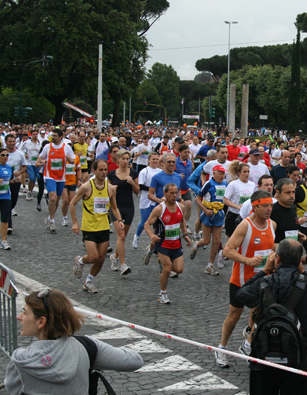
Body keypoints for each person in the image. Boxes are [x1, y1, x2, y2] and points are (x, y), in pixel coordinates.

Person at [3, 289, 143, 394]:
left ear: (41, 322)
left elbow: (12, 390)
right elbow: (135, 361)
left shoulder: (20, 360)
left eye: (25, 312)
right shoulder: (86, 347)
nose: (19, 317)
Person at [236, 239, 307, 395]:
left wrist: (264, 270)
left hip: (264, 354)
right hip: (297, 357)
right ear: (299, 261)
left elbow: (241, 295)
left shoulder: (265, 282)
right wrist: (303, 272)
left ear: (277, 259)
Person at [217, 190, 276, 368]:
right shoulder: (245, 225)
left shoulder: (272, 224)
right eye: (265, 206)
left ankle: (247, 344)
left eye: (270, 205)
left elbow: (270, 245)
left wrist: (291, 244)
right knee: (233, 316)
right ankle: (222, 348)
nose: (269, 209)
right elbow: (228, 250)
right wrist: (247, 260)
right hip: (241, 280)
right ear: (255, 207)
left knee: (259, 313)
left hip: (263, 279)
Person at [71, 159, 124, 293]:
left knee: (100, 259)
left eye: (105, 169)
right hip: (89, 227)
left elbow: (114, 207)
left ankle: (89, 281)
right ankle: (81, 261)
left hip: (104, 227)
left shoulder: (110, 188)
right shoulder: (86, 187)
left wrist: (120, 220)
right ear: (94, 171)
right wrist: (75, 222)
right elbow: (72, 204)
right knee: (93, 256)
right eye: (100, 170)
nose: (104, 172)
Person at [144, 182, 192, 304]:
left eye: (176, 192)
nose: (174, 195)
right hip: (163, 243)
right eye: (171, 193)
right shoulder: (159, 209)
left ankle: (155, 255)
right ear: (165, 193)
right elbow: (147, 224)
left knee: (179, 270)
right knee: (167, 268)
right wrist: (152, 236)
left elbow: (182, 221)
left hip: (176, 243)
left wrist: (185, 234)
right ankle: (163, 293)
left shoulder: (181, 207)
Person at [190, 165, 228, 274]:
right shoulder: (208, 183)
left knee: (216, 242)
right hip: (208, 213)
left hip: (219, 214)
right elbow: (197, 199)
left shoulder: (225, 184)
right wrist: (205, 210)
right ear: (214, 173)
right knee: (206, 241)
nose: (222, 175)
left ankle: (210, 265)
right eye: (220, 173)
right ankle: (197, 244)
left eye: (223, 173)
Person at [37, 128, 76, 233]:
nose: (52, 137)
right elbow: (40, 158)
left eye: (55, 136)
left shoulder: (66, 147)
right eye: (52, 135)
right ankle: (53, 221)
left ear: (60, 137)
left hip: (61, 177)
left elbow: (73, 161)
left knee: (57, 200)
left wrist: (69, 160)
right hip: (49, 176)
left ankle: (50, 217)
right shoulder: (47, 147)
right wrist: (43, 161)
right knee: (53, 198)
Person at [107, 149, 139, 275]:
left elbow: (137, 192)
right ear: (118, 159)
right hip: (116, 208)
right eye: (124, 159)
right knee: (120, 236)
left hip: (129, 207)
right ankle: (123, 264)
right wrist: (113, 189)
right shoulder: (112, 174)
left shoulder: (133, 173)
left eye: (128, 159)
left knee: (123, 237)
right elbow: (106, 192)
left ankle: (114, 256)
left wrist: (132, 183)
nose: (126, 161)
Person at [132, 153, 161, 249]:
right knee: (145, 221)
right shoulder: (144, 171)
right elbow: (141, 186)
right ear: (149, 160)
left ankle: (153, 243)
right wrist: (153, 188)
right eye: (153, 159)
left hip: (157, 199)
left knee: (156, 222)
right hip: (146, 199)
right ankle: (137, 236)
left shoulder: (161, 171)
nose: (156, 161)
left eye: (157, 159)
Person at [224, 161, 256, 237]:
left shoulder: (252, 185)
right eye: (244, 172)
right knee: (231, 243)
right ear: (239, 173)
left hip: (247, 217)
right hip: (234, 215)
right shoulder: (233, 184)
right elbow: (225, 200)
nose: (247, 174)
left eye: (248, 172)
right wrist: (236, 206)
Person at [0, 148, 14, 249]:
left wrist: (15, 180)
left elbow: (10, 180)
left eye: (7, 155)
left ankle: (4, 241)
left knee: (5, 220)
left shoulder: (9, 167)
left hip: (6, 196)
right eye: (3, 155)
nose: (5, 157)